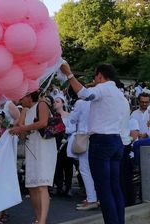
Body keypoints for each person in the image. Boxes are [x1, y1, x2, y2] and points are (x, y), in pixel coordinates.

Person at [60, 62, 129, 224]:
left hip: (101, 141)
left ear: (99, 75)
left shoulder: (103, 89)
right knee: (115, 188)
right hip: (116, 141)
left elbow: (83, 94)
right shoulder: (119, 95)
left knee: (104, 190)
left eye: (95, 77)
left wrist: (70, 75)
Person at [9, 91, 57, 224]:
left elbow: (43, 123)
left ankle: (42, 221)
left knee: (42, 185)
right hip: (32, 149)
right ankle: (37, 218)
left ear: (30, 96)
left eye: (22, 97)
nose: (20, 99)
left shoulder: (41, 104)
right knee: (32, 185)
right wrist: (22, 117)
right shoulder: (26, 110)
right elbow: (22, 133)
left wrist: (22, 128)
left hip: (44, 148)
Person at [66, 98, 99, 211]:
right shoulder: (97, 100)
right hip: (96, 136)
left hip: (83, 136)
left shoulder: (80, 103)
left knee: (85, 169)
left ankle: (91, 199)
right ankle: (93, 197)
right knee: (93, 168)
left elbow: (72, 120)